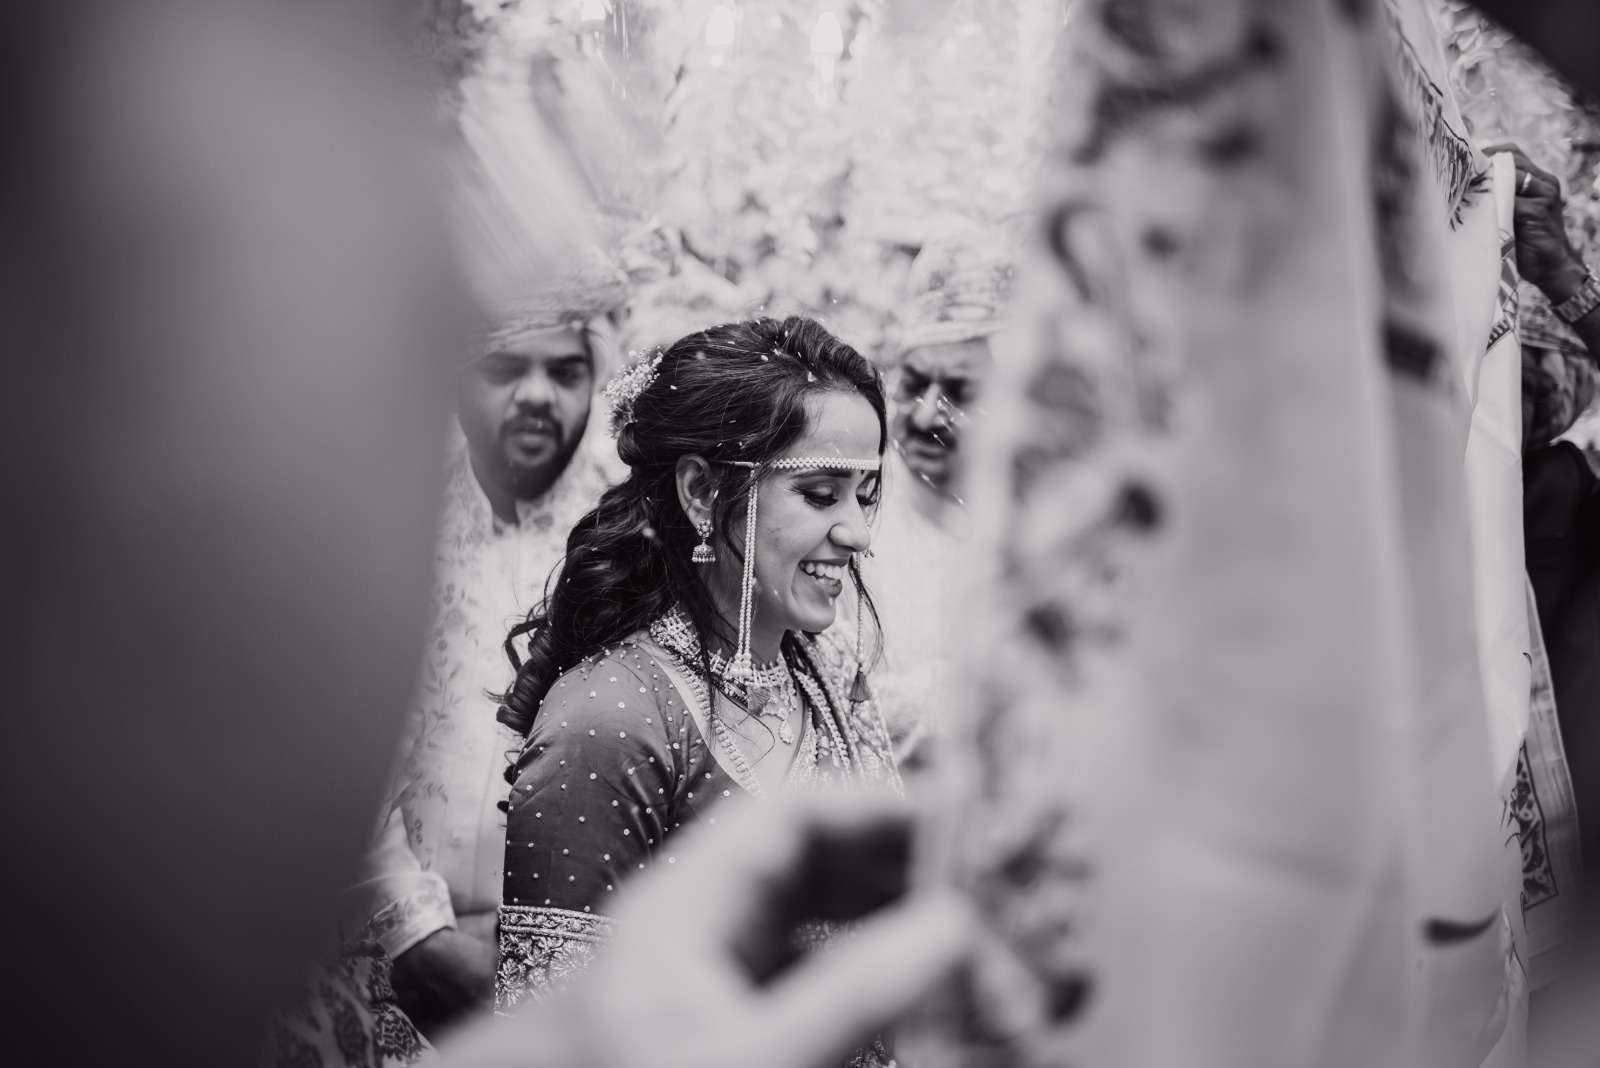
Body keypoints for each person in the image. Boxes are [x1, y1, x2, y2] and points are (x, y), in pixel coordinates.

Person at [492, 316, 903, 1029]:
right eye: (819, 494)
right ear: (703, 492)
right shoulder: (610, 719)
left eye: (863, 494)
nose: (858, 533)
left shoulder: (829, 672)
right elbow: (557, 1037)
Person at [346, 269, 626, 1040]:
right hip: (375, 958)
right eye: (504, 368)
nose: (537, 395)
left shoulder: (629, 535)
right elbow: (324, 740)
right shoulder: (387, 512)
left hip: (566, 978)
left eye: (564, 372)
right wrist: (411, 932)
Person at [866, 236, 1017, 762]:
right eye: (913, 385)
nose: (928, 415)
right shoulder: (847, 514)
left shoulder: (1052, 524)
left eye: (959, 392)